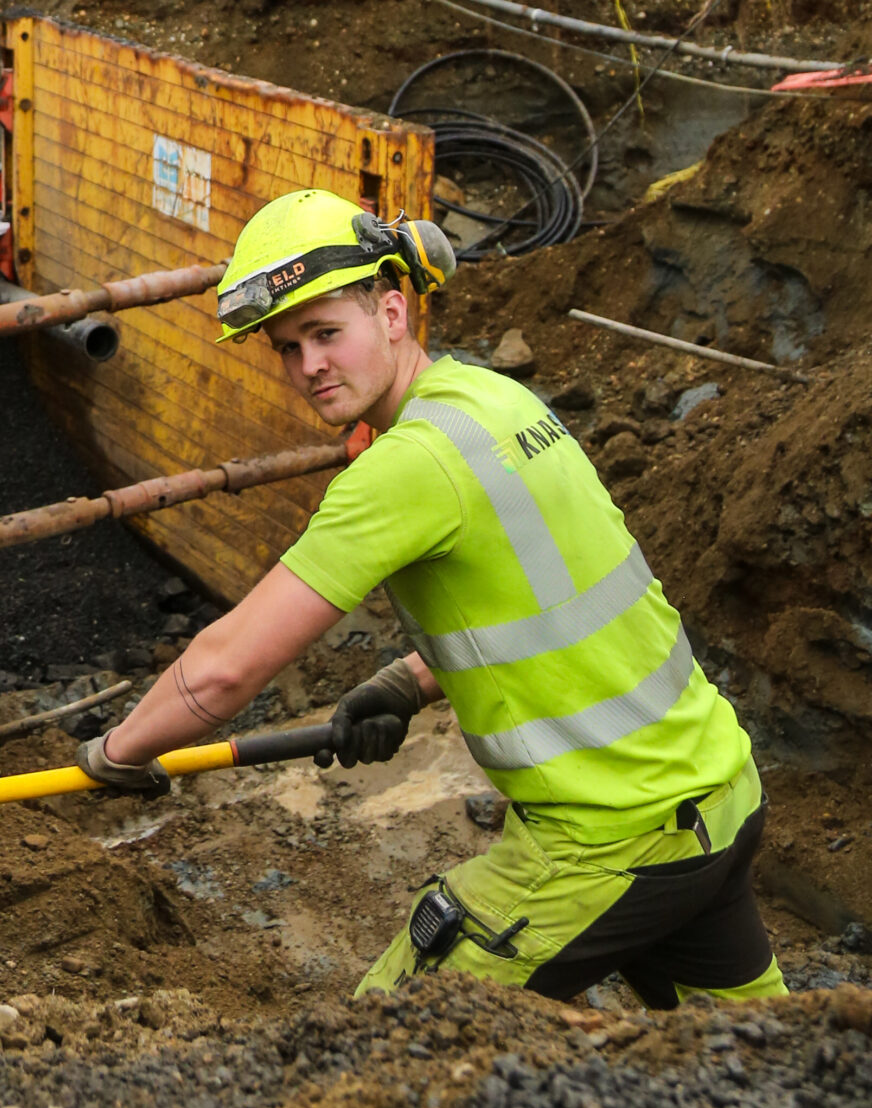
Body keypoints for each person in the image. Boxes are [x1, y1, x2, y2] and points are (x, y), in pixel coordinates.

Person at [76, 188, 785, 1008]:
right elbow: (547, 604)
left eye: (326, 333)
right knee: (764, 1057)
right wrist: (407, 681)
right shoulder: (496, 401)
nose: (309, 366)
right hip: (717, 794)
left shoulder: (406, 466)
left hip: (610, 839)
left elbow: (223, 671)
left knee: (387, 1040)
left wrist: (117, 753)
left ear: (392, 312)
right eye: (288, 347)